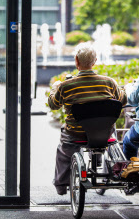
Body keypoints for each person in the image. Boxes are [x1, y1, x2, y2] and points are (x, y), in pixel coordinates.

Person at [48, 43, 127, 195]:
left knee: (63, 150)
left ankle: (61, 183)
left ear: (76, 61)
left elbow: (53, 105)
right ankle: (102, 162)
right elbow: (122, 100)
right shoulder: (109, 82)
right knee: (108, 123)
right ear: (94, 61)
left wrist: (55, 88)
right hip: (103, 133)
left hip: (75, 133)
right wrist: (121, 89)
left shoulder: (66, 86)